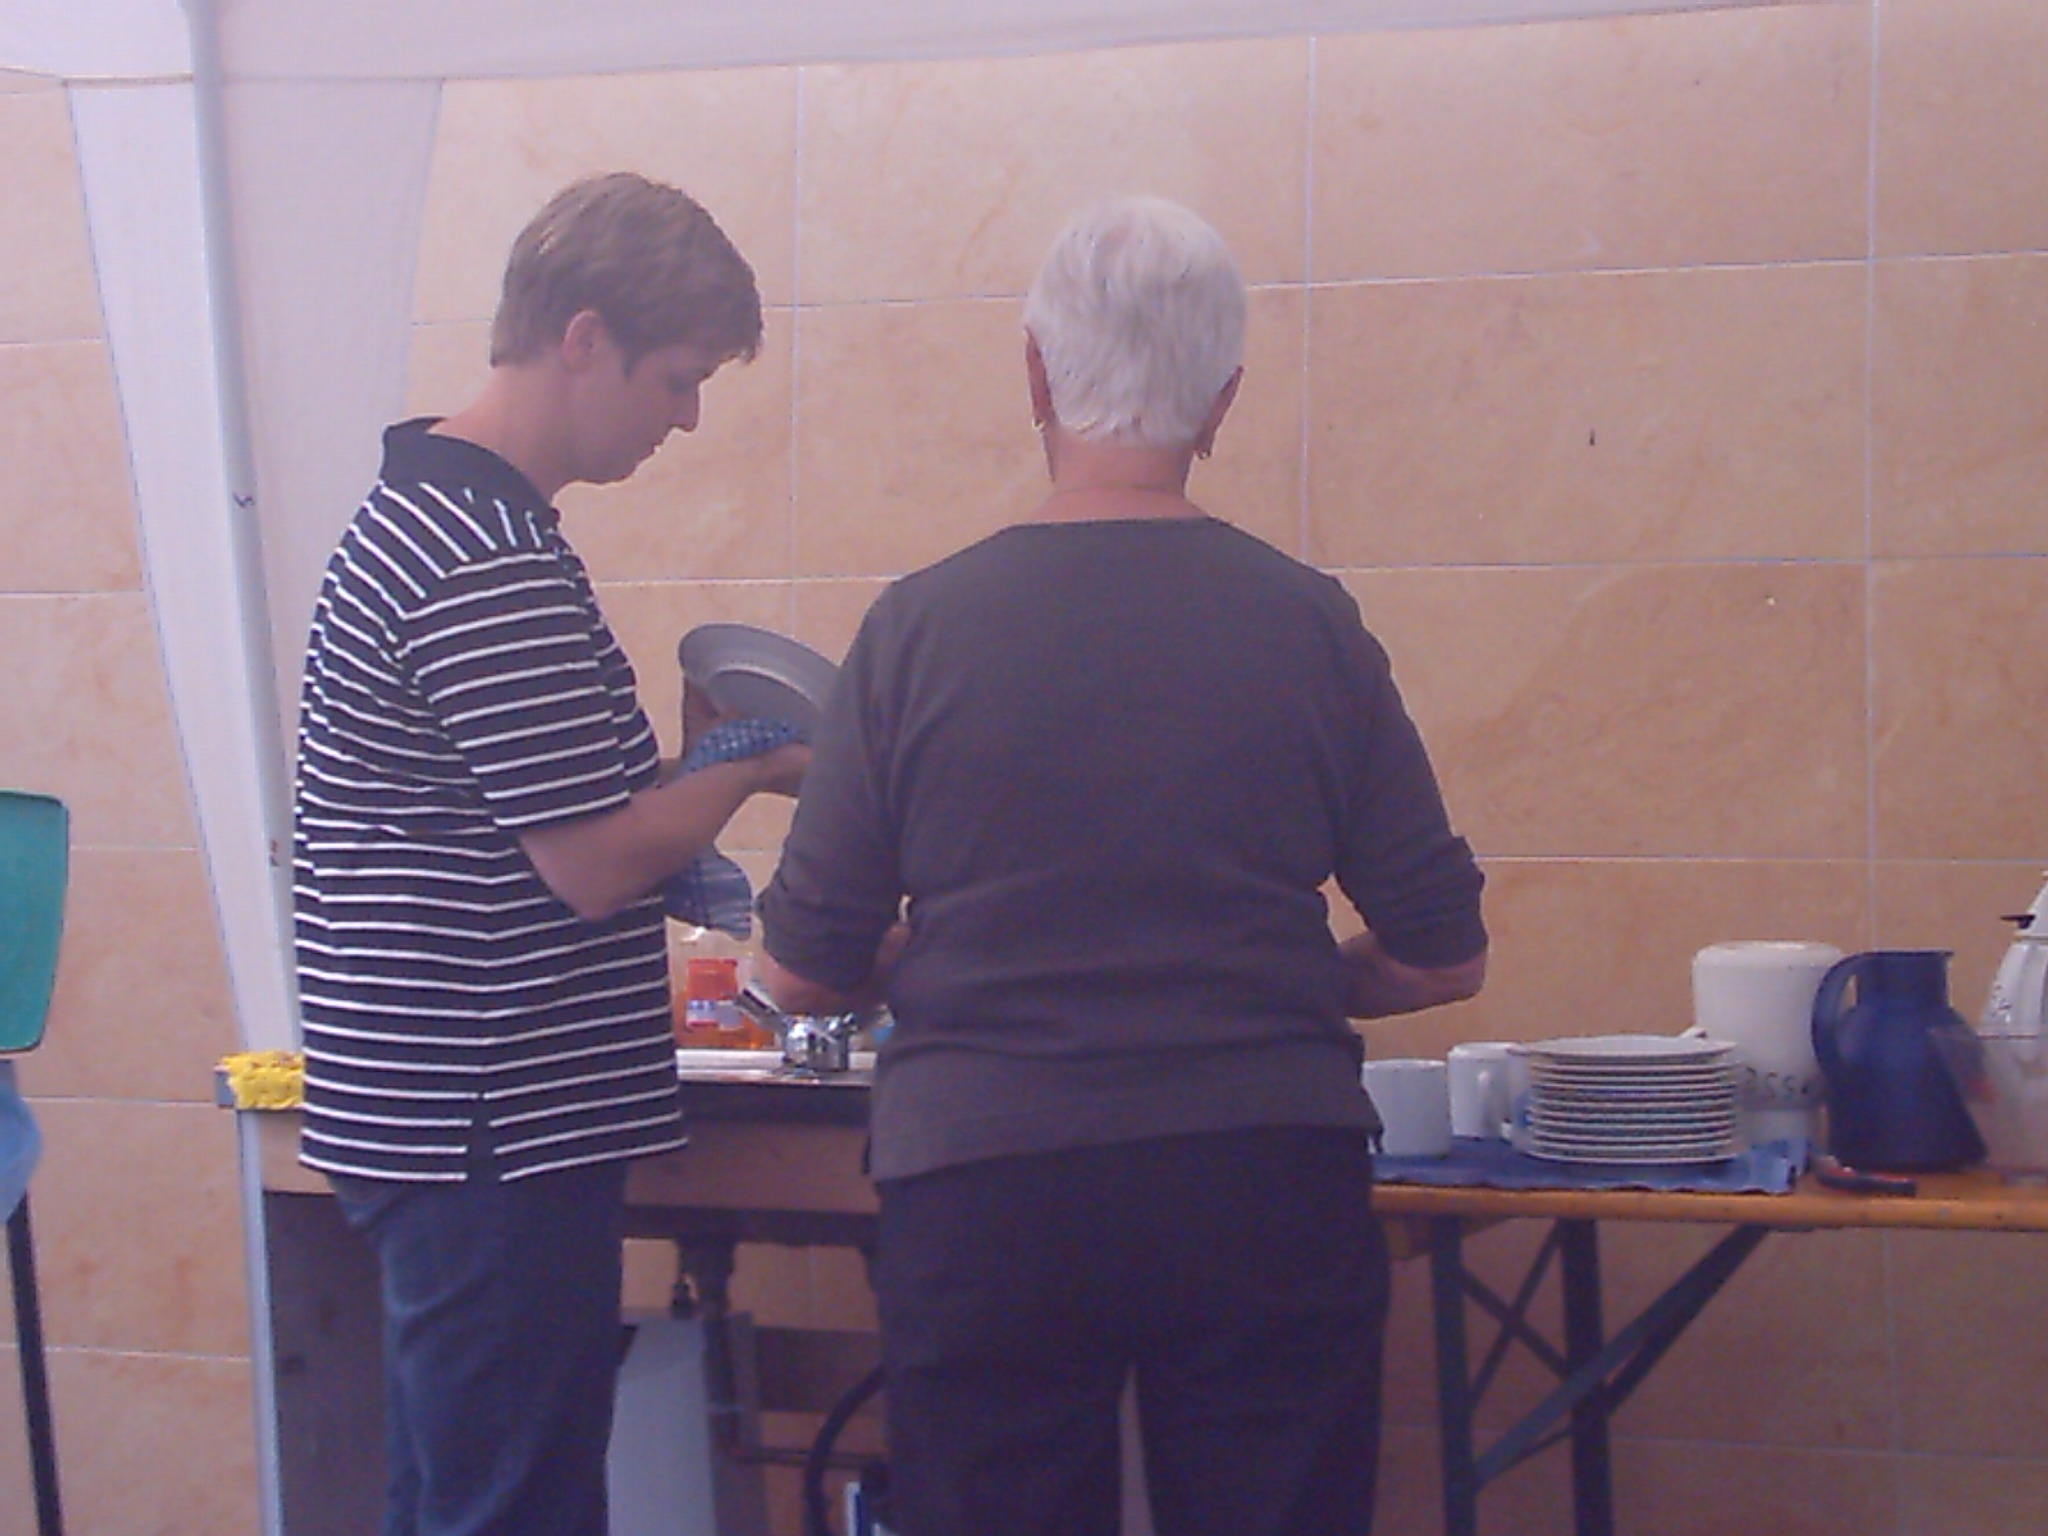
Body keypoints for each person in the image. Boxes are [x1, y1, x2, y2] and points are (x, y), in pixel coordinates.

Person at [755, 195, 1488, 1536]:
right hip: (1262, 1171)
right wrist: (1269, 977)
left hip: (988, 1182)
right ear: (1222, 401)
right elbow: (1443, 956)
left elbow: (798, 972)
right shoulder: (1309, 624)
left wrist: (930, 960)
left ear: (1036, 373)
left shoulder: (917, 628)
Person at [291, 171, 805, 1536]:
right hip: (490, 1124)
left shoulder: (442, 514)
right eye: (680, 379)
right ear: (584, 339)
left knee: (461, 1498)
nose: (687, 418)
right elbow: (592, 863)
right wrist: (753, 759)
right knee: (513, 1507)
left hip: (443, 1113)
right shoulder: (483, 557)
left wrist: (695, 762)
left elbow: (559, 812)